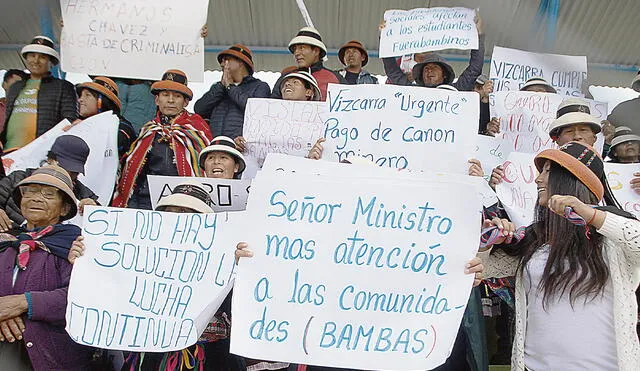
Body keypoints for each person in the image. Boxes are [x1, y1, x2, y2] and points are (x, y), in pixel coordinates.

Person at [480, 141, 640, 370]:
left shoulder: (614, 238)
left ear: (571, 179)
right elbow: (484, 270)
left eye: (547, 171)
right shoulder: (534, 240)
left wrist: (592, 216)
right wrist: (488, 241)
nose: (538, 179)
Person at [71, 181, 245, 370]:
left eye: (187, 213)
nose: (177, 218)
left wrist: (240, 268)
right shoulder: (137, 255)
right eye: (171, 211)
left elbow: (237, 308)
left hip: (207, 358)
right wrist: (85, 261)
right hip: (149, 355)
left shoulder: (225, 255)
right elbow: (111, 290)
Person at [235, 244, 487, 371]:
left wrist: (462, 276)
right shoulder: (311, 242)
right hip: (325, 354)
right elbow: (278, 273)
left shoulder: (408, 245)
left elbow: (433, 277)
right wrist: (248, 260)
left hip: (391, 352)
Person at [0, 164, 92, 369]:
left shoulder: (77, 244)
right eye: (29, 192)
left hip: (51, 354)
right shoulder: (6, 241)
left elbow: (82, 298)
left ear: (65, 208)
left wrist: (22, 303)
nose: (35, 198)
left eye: (48, 194)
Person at [112, 69, 212, 209]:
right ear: (157, 100)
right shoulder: (148, 130)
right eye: (165, 95)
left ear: (185, 102)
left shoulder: (197, 128)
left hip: (183, 202)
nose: (170, 100)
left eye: (177, 96)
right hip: (146, 201)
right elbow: (133, 171)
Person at [0, 135, 99, 231]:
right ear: (50, 160)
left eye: (74, 172)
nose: (67, 173)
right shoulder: (17, 179)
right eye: (31, 191)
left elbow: (103, 225)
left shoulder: (82, 192)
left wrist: (93, 211)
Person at [1, 36, 78, 152]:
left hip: (40, 154)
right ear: (26, 58)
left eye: (42, 57)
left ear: (51, 62)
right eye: (32, 56)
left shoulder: (64, 87)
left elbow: (69, 121)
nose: (36, 61)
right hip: (9, 152)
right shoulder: (15, 88)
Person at [381, 14, 484, 91]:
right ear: (421, 76)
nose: (429, 71)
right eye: (426, 69)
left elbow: (474, 69)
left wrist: (477, 36)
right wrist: (385, 37)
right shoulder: (411, 90)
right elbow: (392, 71)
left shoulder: (455, 90)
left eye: (435, 67)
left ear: (444, 74)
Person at [194, 44, 271, 141]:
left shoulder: (260, 86)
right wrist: (221, 87)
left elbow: (255, 111)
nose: (222, 64)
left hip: (242, 147)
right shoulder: (218, 88)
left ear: (240, 62)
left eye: (226, 60)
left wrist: (231, 87)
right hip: (216, 146)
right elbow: (199, 109)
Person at [235, 71, 321, 152]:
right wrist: (242, 144)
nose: (287, 84)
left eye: (295, 82)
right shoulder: (264, 116)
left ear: (309, 92)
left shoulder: (320, 121)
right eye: (285, 84)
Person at [272, 27, 346, 101]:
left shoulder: (337, 79)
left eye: (302, 48)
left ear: (316, 51)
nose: (296, 53)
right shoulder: (285, 78)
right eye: (295, 49)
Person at [70, 76, 137, 157]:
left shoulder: (123, 127)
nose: (80, 99)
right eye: (81, 95)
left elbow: (115, 145)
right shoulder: (78, 124)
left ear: (101, 101)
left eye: (87, 95)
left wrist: (87, 129)